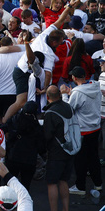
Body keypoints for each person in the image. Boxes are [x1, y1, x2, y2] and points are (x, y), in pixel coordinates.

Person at [60, 66, 102, 195]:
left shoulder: (78, 93)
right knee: (94, 157)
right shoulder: (95, 86)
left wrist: (64, 95)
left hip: (82, 130)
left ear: (74, 78)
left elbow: (68, 110)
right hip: (95, 128)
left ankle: (80, 187)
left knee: (80, 160)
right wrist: (72, 93)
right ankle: (98, 183)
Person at [43, 85, 74, 211]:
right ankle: (66, 209)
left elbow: (47, 136)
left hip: (56, 153)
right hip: (70, 149)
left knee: (52, 183)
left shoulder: (50, 113)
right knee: (63, 181)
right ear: (60, 95)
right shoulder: (68, 107)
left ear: (47, 97)